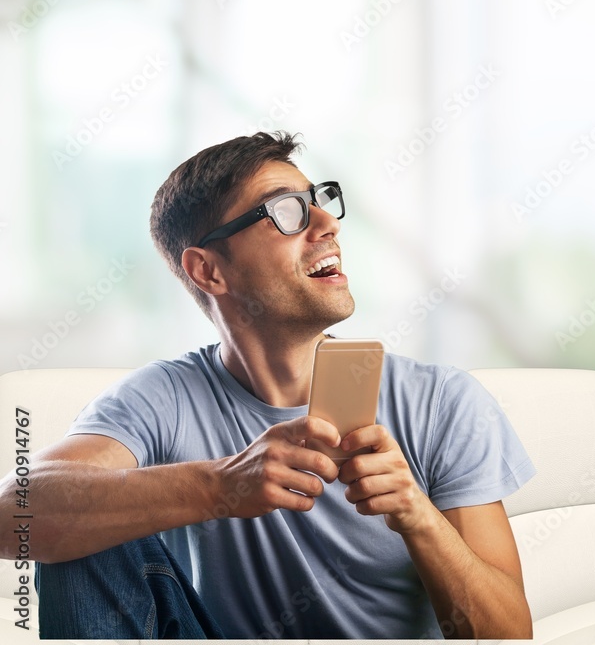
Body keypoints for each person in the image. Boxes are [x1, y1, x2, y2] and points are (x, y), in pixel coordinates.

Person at [0, 132, 536, 639]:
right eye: (287, 211)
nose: (327, 223)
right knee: (72, 525)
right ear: (209, 271)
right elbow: (13, 513)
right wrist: (219, 486)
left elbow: (509, 636)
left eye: (320, 200)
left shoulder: (442, 403)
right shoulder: (160, 398)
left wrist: (418, 516)